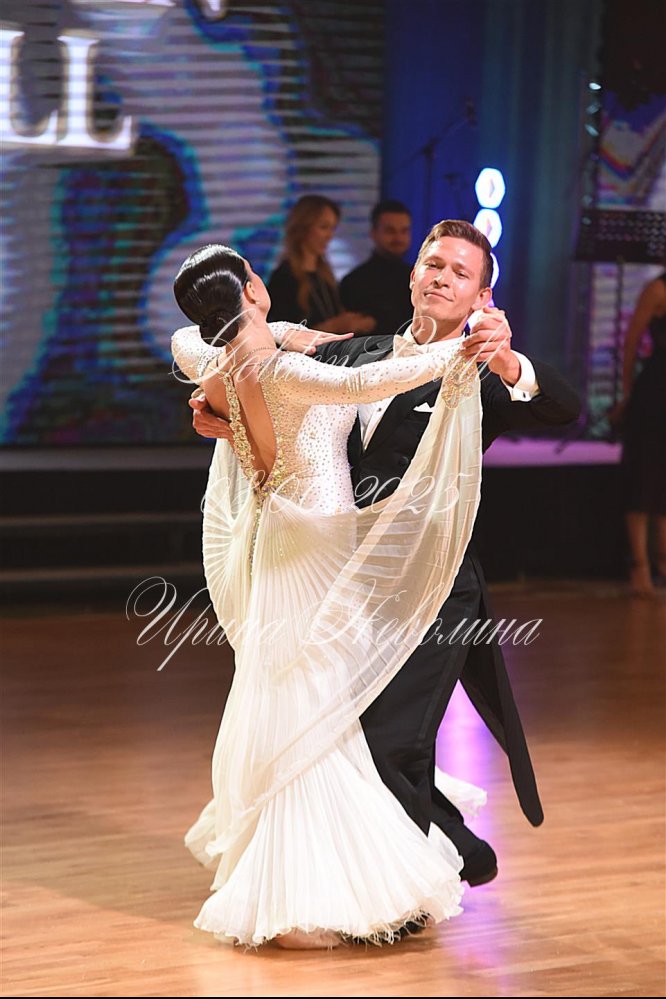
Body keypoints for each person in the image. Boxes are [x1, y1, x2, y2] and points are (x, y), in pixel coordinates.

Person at [191, 220, 582, 887]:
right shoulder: (357, 353)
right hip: (343, 585)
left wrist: (509, 362)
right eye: (433, 264)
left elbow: (563, 408)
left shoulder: (479, 374)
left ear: (482, 297)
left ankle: (408, 888)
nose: (442, 277)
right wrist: (221, 415)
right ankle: (452, 850)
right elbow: (281, 404)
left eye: (460, 272)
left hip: (431, 592)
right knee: (343, 735)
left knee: (393, 738)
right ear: (412, 275)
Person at [171, 243, 489, 949]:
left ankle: (299, 873)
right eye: (253, 276)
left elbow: (189, 338)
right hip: (315, 555)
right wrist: (461, 349)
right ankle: (307, 893)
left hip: (283, 547)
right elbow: (370, 381)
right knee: (314, 709)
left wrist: (285, 331)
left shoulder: (212, 361)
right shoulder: (285, 372)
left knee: (302, 702)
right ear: (253, 292)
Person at [612, 270, 666, 597]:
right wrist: (628, 392)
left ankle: (663, 564)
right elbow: (631, 341)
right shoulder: (658, 289)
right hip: (656, 393)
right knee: (644, 478)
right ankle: (640, 567)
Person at [266, 193, 376, 334]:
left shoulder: (325, 276)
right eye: (324, 227)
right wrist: (334, 326)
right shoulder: (284, 278)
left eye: (332, 228)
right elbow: (282, 335)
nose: (330, 235)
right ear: (303, 228)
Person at [339, 199, 414, 335]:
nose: (398, 238)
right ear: (373, 233)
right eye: (390, 231)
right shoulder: (354, 282)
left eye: (404, 231)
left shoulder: (418, 279)